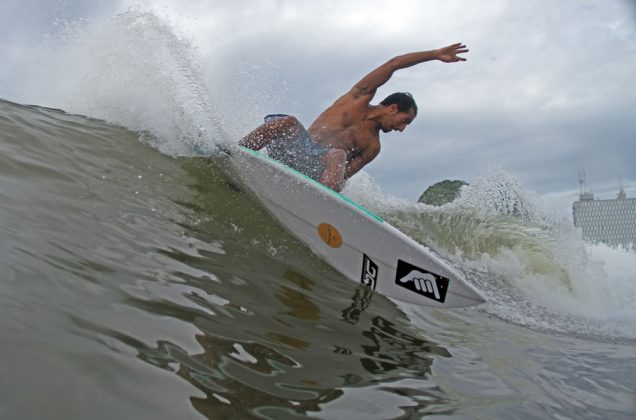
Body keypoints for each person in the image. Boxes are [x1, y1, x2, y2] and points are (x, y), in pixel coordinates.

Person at [239, 43, 468, 192]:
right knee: (287, 121)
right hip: (294, 151)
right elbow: (393, 64)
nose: (402, 129)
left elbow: (343, 176)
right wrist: (434, 54)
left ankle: (318, 205)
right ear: (392, 108)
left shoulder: (372, 146)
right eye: (405, 121)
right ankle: (234, 154)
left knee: (338, 155)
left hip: (313, 173)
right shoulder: (357, 98)